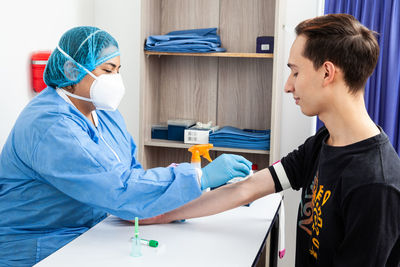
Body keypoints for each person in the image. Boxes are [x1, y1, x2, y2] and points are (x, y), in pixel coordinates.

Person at [140, 14, 400, 266]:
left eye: (295, 73)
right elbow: (248, 187)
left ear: (327, 73)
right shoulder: (325, 141)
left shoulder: (377, 183)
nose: (288, 86)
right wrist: (164, 214)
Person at [0, 26, 252, 266]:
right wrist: (199, 176)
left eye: (119, 70)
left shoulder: (104, 113)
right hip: (40, 245)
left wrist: (174, 199)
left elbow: (132, 176)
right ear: (70, 70)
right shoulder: (50, 125)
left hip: (91, 231)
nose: (116, 79)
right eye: (107, 70)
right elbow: (118, 187)